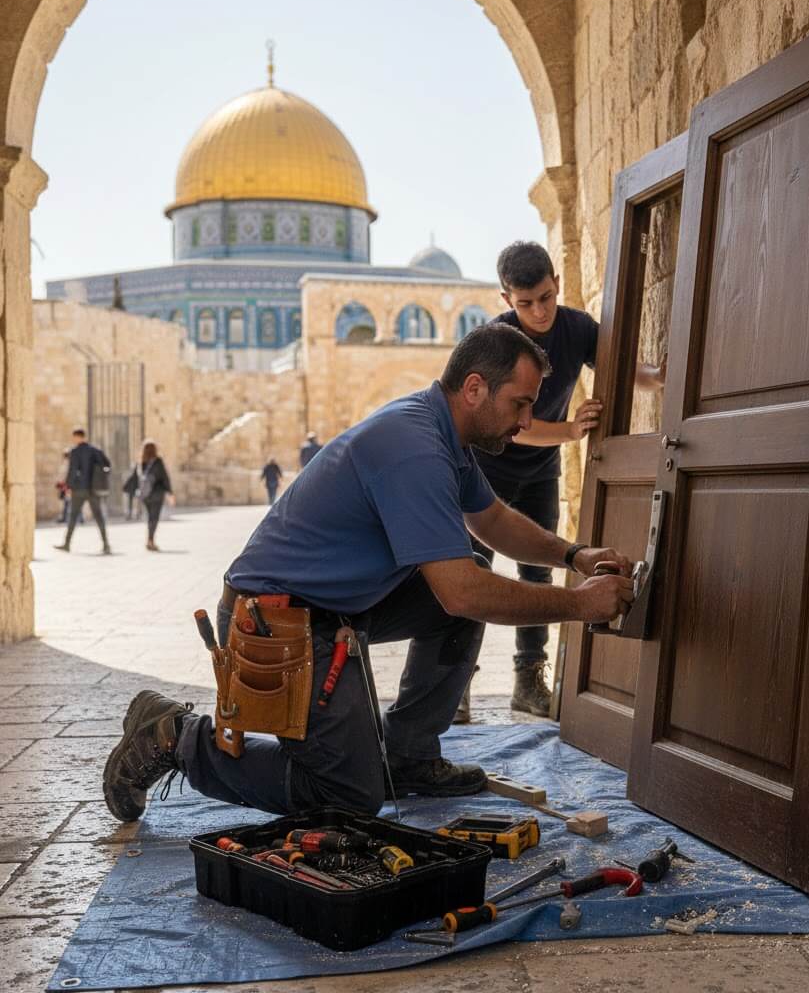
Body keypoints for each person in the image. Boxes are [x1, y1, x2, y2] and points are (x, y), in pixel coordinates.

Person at [102, 323, 635, 823]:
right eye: (520, 404)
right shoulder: (415, 449)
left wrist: (574, 556)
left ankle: (407, 756)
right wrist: (582, 605)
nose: (525, 422)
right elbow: (461, 595)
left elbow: (491, 520)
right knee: (351, 795)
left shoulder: (443, 432)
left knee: (469, 573)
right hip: (275, 625)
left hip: (333, 611)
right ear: (474, 388)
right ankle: (174, 734)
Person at [462, 241, 665, 721]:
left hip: (539, 473)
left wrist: (659, 376)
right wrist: (574, 430)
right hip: (483, 471)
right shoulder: (496, 342)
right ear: (505, 298)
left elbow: (620, 367)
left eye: (547, 297)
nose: (539, 310)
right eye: (525, 302)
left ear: (557, 283)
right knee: (472, 571)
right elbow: (519, 424)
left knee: (539, 573)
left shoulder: (576, 327)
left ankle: (528, 680)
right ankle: (456, 685)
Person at [54, 428, 112, 555]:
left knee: (73, 516)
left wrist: (68, 487)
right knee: (99, 517)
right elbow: (108, 465)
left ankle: (67, 544)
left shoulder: (75, 451)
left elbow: (73, 470)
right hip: (93, 489)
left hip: (79, 489)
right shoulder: (96, 450)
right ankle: (106, 545)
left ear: (77, 437)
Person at [125, 440, 174, 551]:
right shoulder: (158, 461)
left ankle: (149, 539)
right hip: (157, 494)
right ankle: (150, 540)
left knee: (149, 518)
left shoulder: (141, 462)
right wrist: (170, 493)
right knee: (154, 517)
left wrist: (129, 490)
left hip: (145, 495)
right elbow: (165, 478)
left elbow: (134, 478)